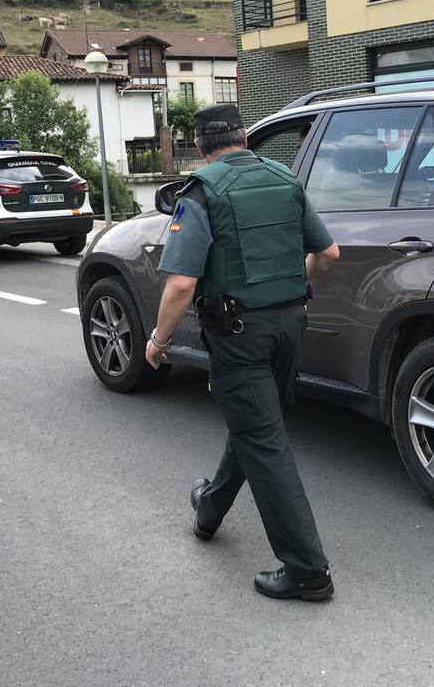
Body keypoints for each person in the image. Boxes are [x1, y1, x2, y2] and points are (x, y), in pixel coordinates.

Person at [144, 104, 341, 601]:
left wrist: (158, 342)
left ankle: (307, 570)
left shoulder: (202, 190)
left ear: (201, 146)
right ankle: (209, 508)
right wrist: (296, 282)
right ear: (245, 138)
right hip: (290, 325)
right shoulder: (285, 178)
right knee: (257, 424)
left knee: (265, 441)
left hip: (238, 335)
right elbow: (328, 254)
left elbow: (181, 284)